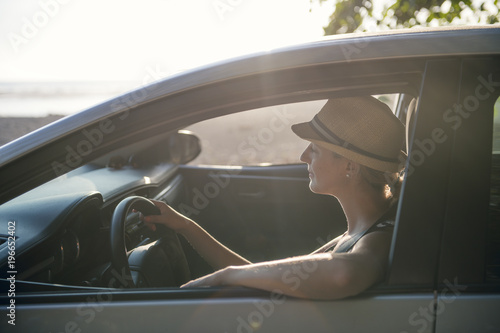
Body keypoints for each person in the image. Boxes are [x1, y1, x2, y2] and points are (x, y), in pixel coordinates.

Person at [143, 96, 406, 300]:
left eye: (314, 149)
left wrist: (229, 276)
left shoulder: (380, 236)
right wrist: (186, 227)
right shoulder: (357, 233)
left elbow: (345, 275)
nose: (304, 157)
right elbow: (258, 274)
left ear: (350, 166)